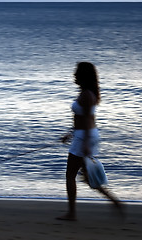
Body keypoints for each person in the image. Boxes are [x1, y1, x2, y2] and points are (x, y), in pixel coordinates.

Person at [57, 62, 123, 221]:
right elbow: (81, 119)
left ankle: (72, 213)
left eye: (76, 72)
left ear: (83, 76)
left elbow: (87, 120)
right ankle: (115, 202)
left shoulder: (86, 95)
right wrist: (70, 133)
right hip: (84, 135)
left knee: (70, 175)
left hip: (84, 137)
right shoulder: (86, 93)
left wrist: (84, 142)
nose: (74, 75)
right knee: (87, 177)